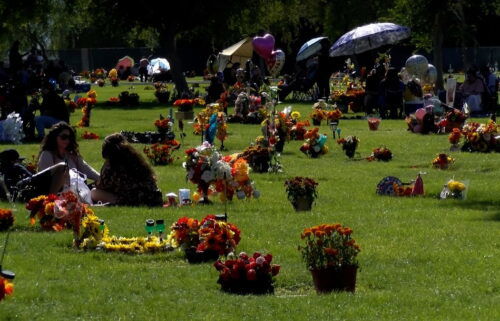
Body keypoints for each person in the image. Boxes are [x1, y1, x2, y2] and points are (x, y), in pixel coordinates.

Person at [91, 133, 163, 206]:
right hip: (153, 197)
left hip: (132, 200)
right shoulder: (137, 160)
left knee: (94, 192)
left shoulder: (112, 164)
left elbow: (102, 185)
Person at [37, 122, 99, 190]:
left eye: (70, 137)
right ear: (54, 137)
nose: (67, 140)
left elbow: (87, 170)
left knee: (100, 185)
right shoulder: (47, 154)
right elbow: (44, 180)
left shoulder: (71, 154)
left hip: (77, 190)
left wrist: (102, 180)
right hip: (57, 194)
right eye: (64, 137)